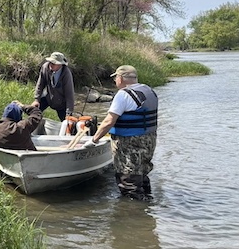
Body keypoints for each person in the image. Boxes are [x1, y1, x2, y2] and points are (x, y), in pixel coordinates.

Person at [88, 65, 158, 201]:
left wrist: (93, 140)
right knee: (142, 175)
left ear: (120, 78)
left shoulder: (123, 95)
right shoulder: (149, 90)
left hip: (129, 142)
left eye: (115, 78)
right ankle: (147, 209)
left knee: (129, 180)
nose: (115, 81)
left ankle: (131, 214)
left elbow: (109, 121)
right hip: (149, 140)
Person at [31, 51, 75, 121]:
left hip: (61, 104)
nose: (51, 64)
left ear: (60, 64)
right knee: (33, 112)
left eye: (54, 63)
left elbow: (69, 94)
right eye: (50, 62)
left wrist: (69, 113)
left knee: (67, 125)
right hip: (48, 97)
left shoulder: (66, 74)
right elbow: (40, 84)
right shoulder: (45, 67)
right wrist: (36, 100)